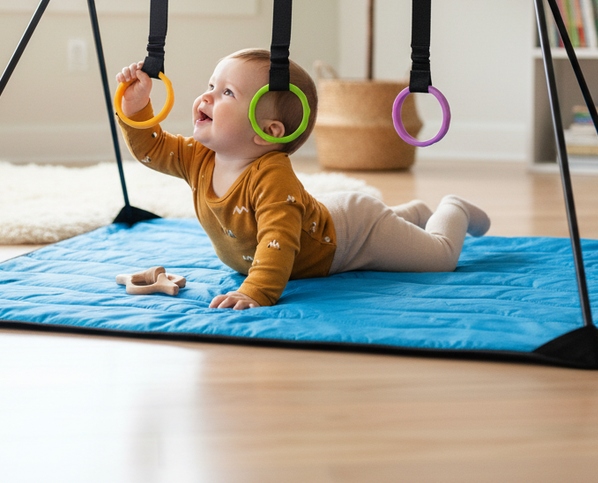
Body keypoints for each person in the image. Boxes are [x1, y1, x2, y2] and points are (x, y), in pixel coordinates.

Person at [114, 48, 490, 310]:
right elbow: (153, 149)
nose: (207, 97)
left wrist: (257, 290)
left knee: (440, 257)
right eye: (212, 86)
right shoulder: (199, 157)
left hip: (353, 236)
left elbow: (278, 238)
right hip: (337, 216)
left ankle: (451, 208)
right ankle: (410, 214)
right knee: (390, 226)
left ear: (268, 132)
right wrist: (136, 108)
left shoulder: (272, 177)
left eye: (227, 93)